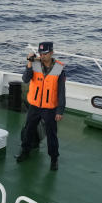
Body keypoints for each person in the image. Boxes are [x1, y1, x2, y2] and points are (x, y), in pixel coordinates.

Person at [17, 41, 66, 171]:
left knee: (52, 134)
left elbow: (61, 92)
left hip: (50, 108)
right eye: (40, 53)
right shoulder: (35, 64)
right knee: (28, 130)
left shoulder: (59, 69)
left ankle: (54, 159)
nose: (42, 56)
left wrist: (60, 110)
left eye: (45, 53)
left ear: (51, 53)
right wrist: (29, 62)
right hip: (34, 106)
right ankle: (25, 152)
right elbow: (25, 79)